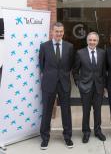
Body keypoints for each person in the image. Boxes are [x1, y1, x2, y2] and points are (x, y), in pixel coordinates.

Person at [39, 22, 74, 150]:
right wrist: (51, 75)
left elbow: (70, 64)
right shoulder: (44, 46)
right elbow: (42, 65)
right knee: (47, 111)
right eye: (56, 31)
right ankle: (45, 138)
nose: (59, 33)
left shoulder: (69, 47)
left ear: (63, 32)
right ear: (52, 32)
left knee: (66, 111)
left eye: (61, 31)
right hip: (49, 83)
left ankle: (67, 137)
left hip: (64, 83)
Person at [73, 32, 107, 143]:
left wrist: (104, 86)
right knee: (86, 110)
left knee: (97, 110)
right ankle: (86, 132)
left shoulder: (102, 53)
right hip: (85, 87)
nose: (92, 42)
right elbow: (75, 70)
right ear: (87, 41)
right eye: (90, 40)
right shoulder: (80, 53)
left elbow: (103, 71)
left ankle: (98, 131)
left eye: (94, 40)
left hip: (98, 87)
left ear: (97, 41)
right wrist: (78, 83)